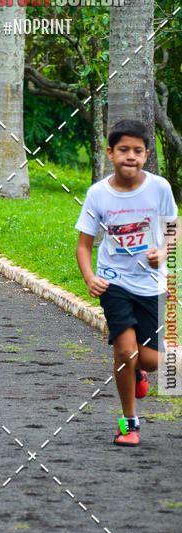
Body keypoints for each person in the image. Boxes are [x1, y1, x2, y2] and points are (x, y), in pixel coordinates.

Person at [76, 119, 180, 447]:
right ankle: (129, 422)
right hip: (114, 282)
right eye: (123, 150)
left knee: (148, 357)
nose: (130, 156)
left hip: (152, 285)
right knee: (125, 350)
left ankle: (140, 370)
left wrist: (162, 252)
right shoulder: (98, 194)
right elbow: (83, 245)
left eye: (137, 151)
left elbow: (174, 230)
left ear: (147, 155)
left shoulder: (159, 188)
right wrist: (90, 277)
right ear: (110, 153)